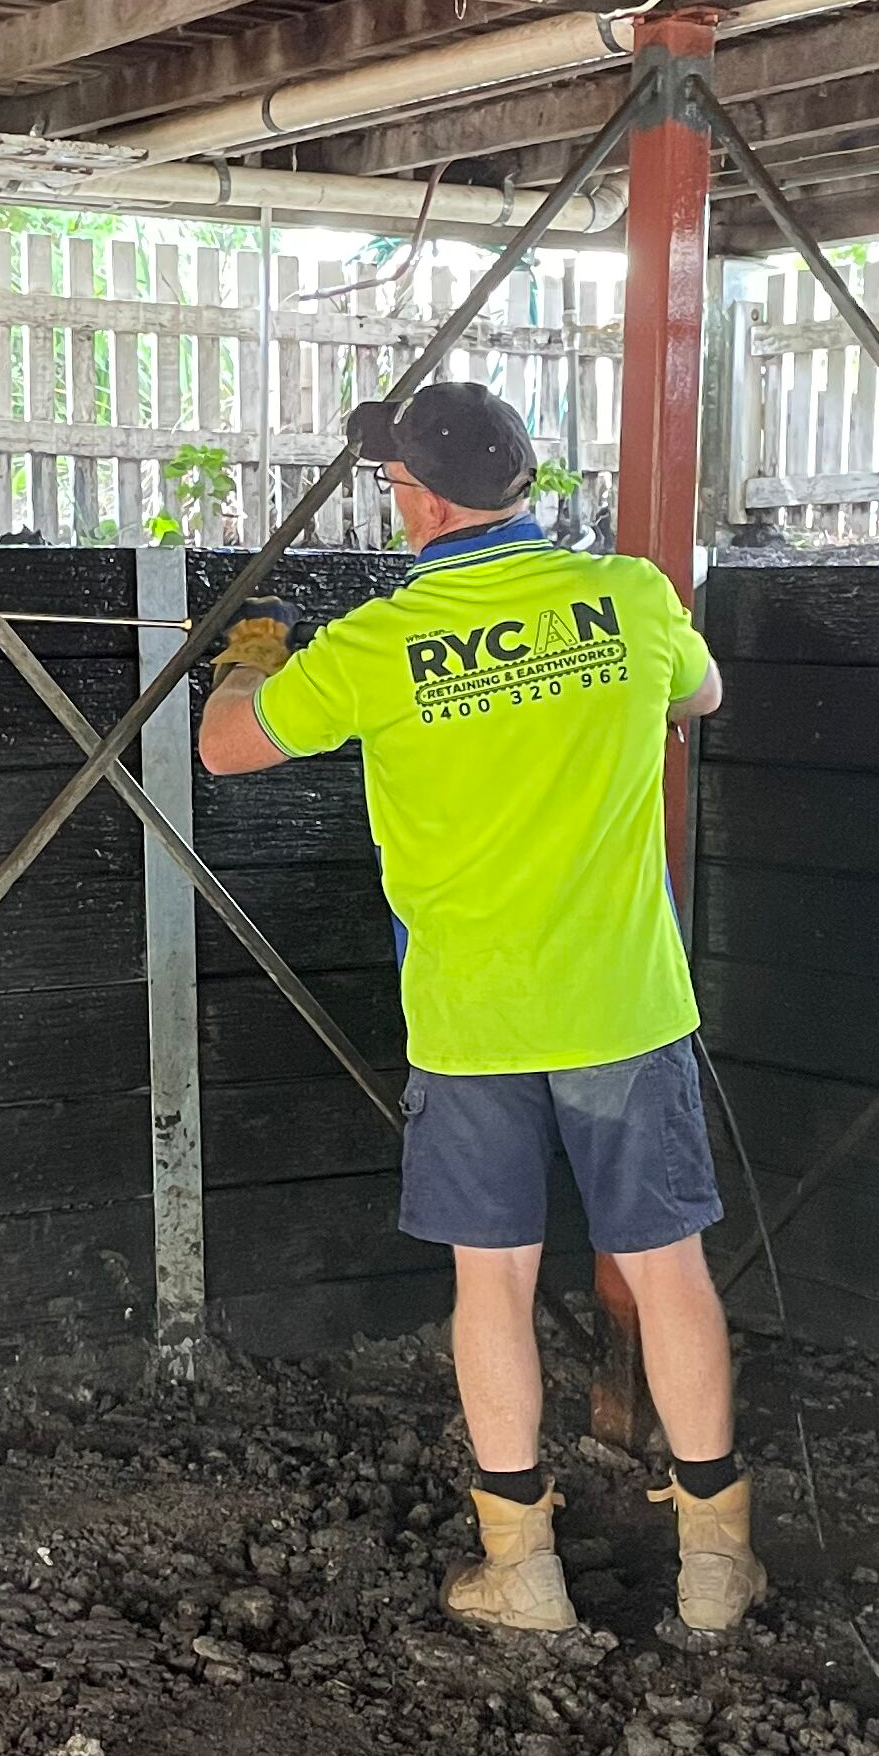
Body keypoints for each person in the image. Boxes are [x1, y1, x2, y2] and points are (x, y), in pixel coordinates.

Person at [194, 381, 763, 1640]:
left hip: (471, 1023)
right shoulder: (629, 596)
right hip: (623, 1005)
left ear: (416, 497)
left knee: (492, 1286)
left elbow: (226, 750)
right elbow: (700, 697)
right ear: (523, 484)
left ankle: (523, 1567)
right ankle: (717, 1566)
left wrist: (250, 656)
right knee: (669, 1274)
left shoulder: (378, 648)